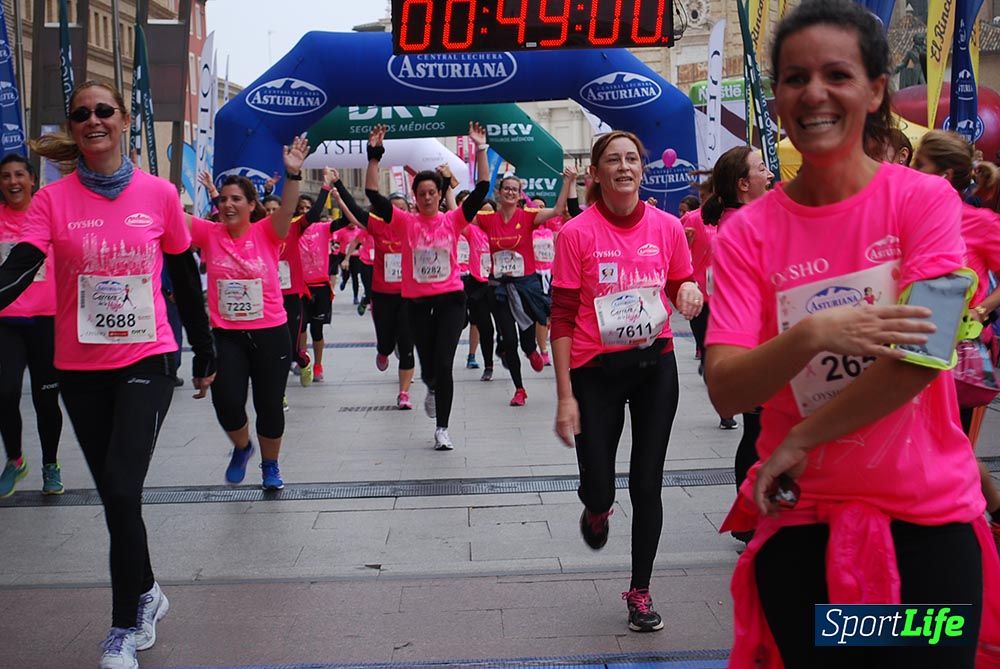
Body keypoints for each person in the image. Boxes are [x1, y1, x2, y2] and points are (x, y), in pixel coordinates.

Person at [704, 2, 999, 665]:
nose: (813, 92)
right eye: (794, 77)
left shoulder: (926, 202)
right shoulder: (748, 232)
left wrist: (803, 436)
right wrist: (812, 333)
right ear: (777, 97)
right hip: (804, 526)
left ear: (874, 90)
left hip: (930, 528)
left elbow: (924, 352)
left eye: (836, 74)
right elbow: (725, 387)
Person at [0, 80, 215, 669]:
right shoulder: (51, 200)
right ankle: (148, 589)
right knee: (118, 500)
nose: (92, 120)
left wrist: (206, 348)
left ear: (122, 120)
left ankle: (124, 625)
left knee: (122, 488)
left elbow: (185, 277)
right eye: (80, 114)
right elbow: (21, 267)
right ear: (72, 128)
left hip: (147, 360)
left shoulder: (159, 194)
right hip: (78, 368)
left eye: (103, 111)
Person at [551, 130, 702, 634]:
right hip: (595, 373)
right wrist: (564, 398)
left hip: (654, 365)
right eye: (613, 160)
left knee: (646, 483)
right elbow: (562, 319)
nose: (624, 167)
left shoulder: (667, 227)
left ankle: (640, 591)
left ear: (642, 169)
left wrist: (690, 295)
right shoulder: (576, 234)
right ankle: (596, 509)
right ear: (595, 173)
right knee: (599, 485)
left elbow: (682, 281)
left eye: (631, 159)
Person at [188, 136, 308, 492]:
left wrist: (293, 174)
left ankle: (270, 466)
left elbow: (287, 208)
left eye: (235, 199)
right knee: (226, 403)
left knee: (269, 405)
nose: (227, 204)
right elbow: (167, 215)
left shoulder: (268, 232)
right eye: (223, 199)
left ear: (251, 204)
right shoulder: (209, 234)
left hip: (271, 332)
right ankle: (242, 447)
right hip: (227, 335)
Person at [365, 122, 490, 449]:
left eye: (432, 192)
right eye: (420, 193)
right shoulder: (405, 221)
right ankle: (431, 386)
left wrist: (480, 149)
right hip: (416, 303)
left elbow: (481, 190)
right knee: (429, 368)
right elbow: (372, 196)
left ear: (438, 193)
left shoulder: (453, 220)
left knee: (444, 363)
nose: (426, 197)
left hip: (450, 299)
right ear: (415, 197)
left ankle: (442, 429)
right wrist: (374, 157)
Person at [911, 129, 1000, 551]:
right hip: (913, 353)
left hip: (960, 357)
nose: (911, 172)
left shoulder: (978, 222)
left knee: (954, 448)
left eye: (920, 165)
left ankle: (982, 520)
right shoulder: (910, 216)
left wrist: (983, 307)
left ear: (945, 174)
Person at [477, 170, 574, 406]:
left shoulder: (528, 216)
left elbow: (558, 210)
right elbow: (460, 216)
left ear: (520, 195)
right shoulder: (489, 219)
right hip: (499, 286)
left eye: (515, 189)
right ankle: (519, 389)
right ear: (498, 193)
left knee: (527, 336)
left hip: (525, 286)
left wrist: (568, 182)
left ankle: (530, 349)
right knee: (509, 339)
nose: (510, 192)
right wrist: (448, 188)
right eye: (506, 188)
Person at [0, 153, 64, 497]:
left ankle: (51, 464)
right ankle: (15, 460)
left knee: (46, 399)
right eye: (6, 176)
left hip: (46, 320)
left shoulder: (47, 218)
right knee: (4, 392)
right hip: (6, 322)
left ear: (32, 180)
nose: (13, 182)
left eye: (19, 175)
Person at [328, 169, 417, 410]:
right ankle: (383, 350)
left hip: (409, 296)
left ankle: (404, 393)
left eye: (402, 208)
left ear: (409, 211)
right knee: (386, 343)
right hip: (382, 294)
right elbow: (355, 213)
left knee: (408, 346)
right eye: (393, 208)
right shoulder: (376, 226)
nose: (397, 212)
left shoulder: (415, 226)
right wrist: (338, 184)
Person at [701, 146, 773, 440]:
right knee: (758, 432)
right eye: (761, 168)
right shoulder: (741, 227)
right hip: (756, 343)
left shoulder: (746, 219)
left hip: (758, 341)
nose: (769, 174)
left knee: (760, 430)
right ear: (743, 184)